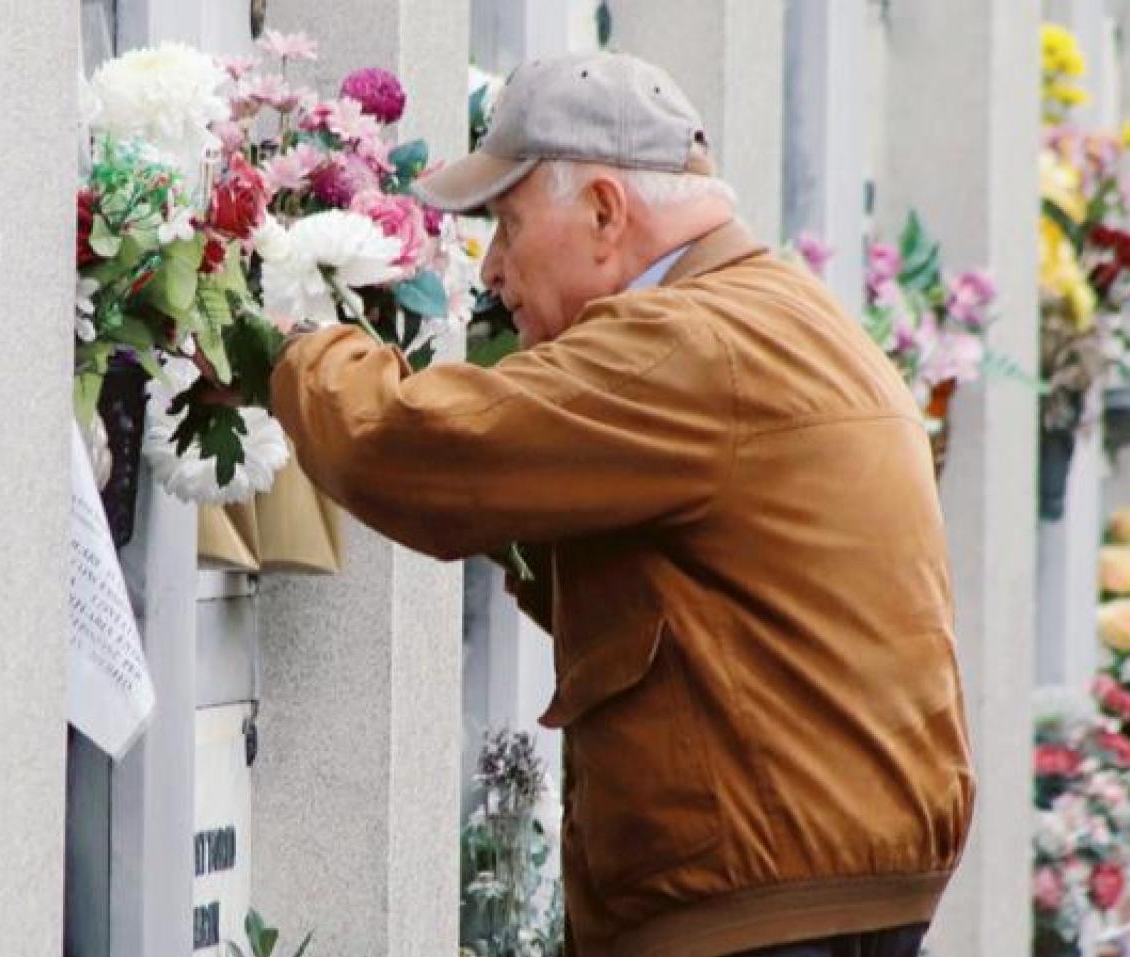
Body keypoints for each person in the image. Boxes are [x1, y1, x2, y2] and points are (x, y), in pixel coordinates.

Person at [268, 52, 974, 957]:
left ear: (605, 212)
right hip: (836, 890)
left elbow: (408, 447)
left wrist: (289, 347)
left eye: (508, 226)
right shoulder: (787, 313)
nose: (492, 271)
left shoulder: (687, 341)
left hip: (755, 911)